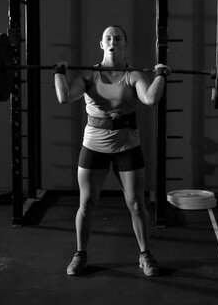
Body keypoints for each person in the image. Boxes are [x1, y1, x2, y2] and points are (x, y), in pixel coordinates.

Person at [53, 25, 171, 277]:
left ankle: (145, 255)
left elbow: (150, 99)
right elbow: (64, 97)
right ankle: (80, 254)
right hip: (93, 145)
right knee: (87, 203)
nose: (113, 41)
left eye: (118, 38)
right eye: (108, 38)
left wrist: (161, 75)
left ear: (125, 44)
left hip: (127, 145)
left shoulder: (134, 75)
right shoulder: (88, 76)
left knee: (136, 203)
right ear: (101, 44)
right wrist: (59, 72)